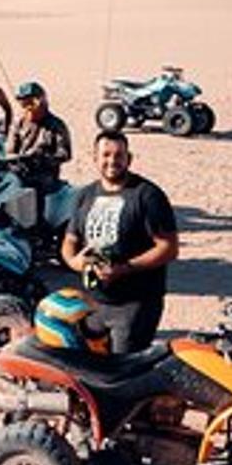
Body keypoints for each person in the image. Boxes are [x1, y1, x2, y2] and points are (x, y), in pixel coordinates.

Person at [61, 130, 179, 352]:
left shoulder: (147, 196)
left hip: (134, 305)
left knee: (123, 375)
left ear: (129, 158)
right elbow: (70, 241)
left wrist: (125, 268)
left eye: (118, 155)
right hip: (94, 304)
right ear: (95, 158)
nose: (112, 161)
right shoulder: (85, 196)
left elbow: (168, 248)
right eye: (105, 155)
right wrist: (76, 262)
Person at [6, 80, 73, 224]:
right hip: (20, 171)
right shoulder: (19, 124)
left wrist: (44, 157)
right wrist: (20, 157)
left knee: (37, 194)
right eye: (24, 104)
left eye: (31, 102)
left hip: (44, 175)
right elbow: (10, 151)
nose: (27, 107)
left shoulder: (56, 125)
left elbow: (65, 154)